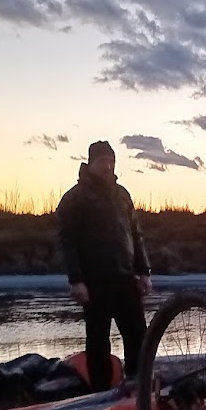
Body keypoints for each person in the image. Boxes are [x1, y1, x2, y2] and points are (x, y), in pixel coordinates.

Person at [57, 140, 153, 391]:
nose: (107, 166)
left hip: (125, 279)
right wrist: (76, 280)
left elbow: (136, 234)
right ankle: (99, 392)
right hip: (94, 281)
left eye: (111, 161)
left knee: (138, 336)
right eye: (102, 161)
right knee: (98, 341)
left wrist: (144, 272)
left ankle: (138, 384)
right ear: (90, 164)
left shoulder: (123, 195)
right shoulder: (74, 198)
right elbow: (68, 241)